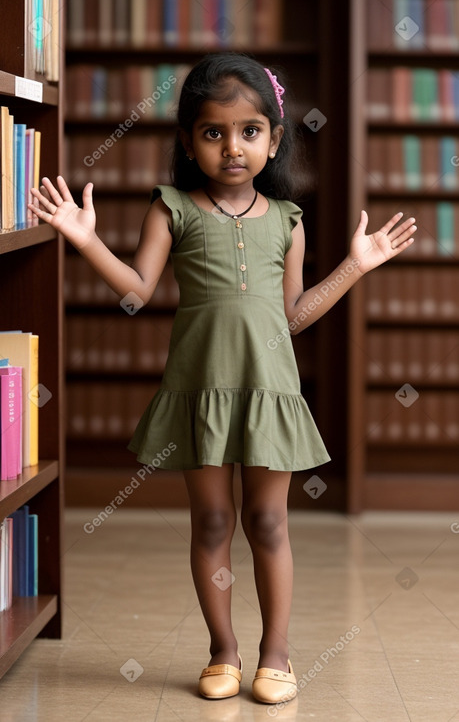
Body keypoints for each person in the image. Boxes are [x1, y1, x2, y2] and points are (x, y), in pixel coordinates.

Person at [29, 52, 416, 706]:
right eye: (212, 133)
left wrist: (355, 266)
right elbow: (135, 291)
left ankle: (275, 655)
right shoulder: (172, 208)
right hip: (199, 394)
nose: (232, 148)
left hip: (269, 397)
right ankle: (223, 652)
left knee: (268, 525)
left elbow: (293, 318)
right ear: (187, 142)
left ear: (273, 140)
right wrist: (83, 239)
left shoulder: (288, 223)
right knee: (211, 523)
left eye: (248, 132)